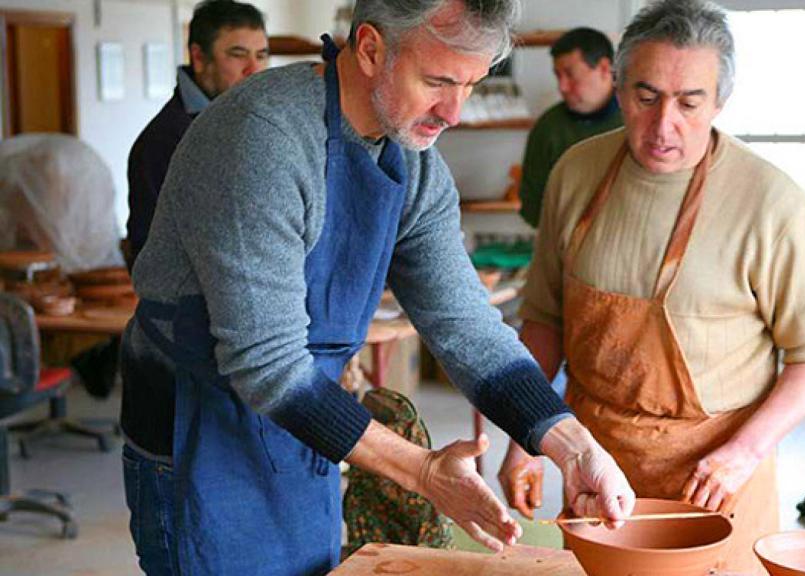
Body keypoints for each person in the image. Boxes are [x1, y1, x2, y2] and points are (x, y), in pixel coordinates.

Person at [119, 1, 634, 574]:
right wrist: (422, 471)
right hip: (199, 442)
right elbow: (265, 362)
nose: (454, 112)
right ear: (369, 49)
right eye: (437, 80)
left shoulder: (412, 164)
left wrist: (574, 446)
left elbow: (466, 323)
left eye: (470, 84)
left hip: (302, 429)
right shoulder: (262, 139)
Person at [498, 0, 805, 572]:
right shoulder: (575, 174)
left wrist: (745, 452)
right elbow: (545, 322)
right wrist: (525, 436)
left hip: (717, 481)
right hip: (596, 468)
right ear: (618, 87)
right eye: (646, 97)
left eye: (690, 103)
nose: (665, 126)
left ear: (720, 102)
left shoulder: (771, 202)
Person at [126, 0, 269, 266]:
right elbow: (151, 258)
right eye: (238, 54)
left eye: (261, 55)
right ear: (200, 58)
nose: (253, 70)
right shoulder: (165, 140)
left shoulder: (254, 123)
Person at [518, 27, 621, 228]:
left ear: (604, 68)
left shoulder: (637, 119)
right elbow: (531, 202)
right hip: (565, 247)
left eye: (570, 74)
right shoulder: (548, 127)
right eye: (558, 75)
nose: (562, 87)